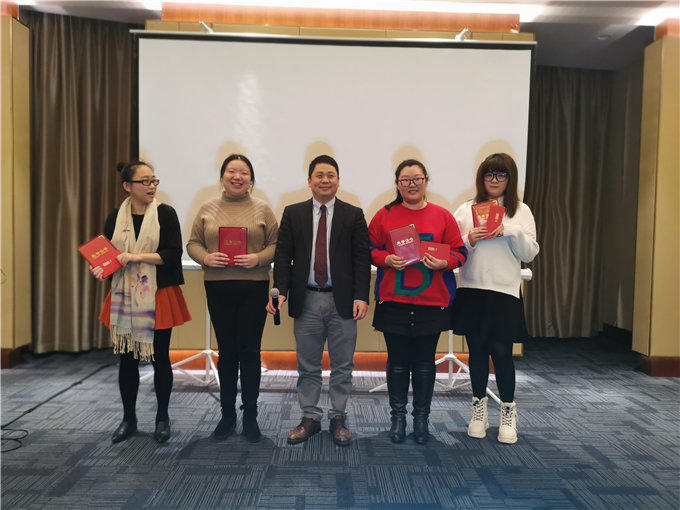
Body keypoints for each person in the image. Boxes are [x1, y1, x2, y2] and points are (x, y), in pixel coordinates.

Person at [266, 155, 371, 447]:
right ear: (309, 180)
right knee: (308, 365)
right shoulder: (293, 213)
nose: (325, 180)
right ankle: (310, 417)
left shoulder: (353, 214)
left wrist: (361, 296)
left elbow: (362, 259)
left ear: (338, 180)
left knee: (343, 365)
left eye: (330, 175)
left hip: (343, 301)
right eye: (319, 175)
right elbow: (283, 255)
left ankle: (339, 417)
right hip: (307, 300)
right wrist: (281, 290)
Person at [369, 159, 467, 445]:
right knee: (397, 362)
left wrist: (445, 263)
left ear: (426, 181)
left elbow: (460, 253)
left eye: (417, 179)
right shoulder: (384, 215)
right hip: (394, 299)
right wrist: (386, 259)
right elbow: (368, 249)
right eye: (405, 180)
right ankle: (397, 418)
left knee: (425, 363)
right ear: (397, 184)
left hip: (431, 301)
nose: (411, 184)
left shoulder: (443, 216)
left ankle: (421, 419)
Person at [93, 160, 191, 444]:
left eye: (154, 181)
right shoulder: (115, 217)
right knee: (127, 359)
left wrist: (135, 257)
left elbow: (172, 254)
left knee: (160, 358)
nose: (151, 186)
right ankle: (129, 418)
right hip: (124, 294)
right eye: (144, 182)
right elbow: (109, 256)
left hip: (157, 293)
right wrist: (101, 268)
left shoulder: (165, 213)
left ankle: (162, 418)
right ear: (127, 186)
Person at [187, 154, 278, 443]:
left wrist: (258, 258)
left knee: (250, 352)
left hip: (254, 286)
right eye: (231, 171)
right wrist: (205, 257)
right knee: (226, 352)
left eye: (243, 172)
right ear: (222, 176)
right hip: (218, 286)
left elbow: (277, 244)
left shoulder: (263, 209)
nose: (237, 177)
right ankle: (227, 414)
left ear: (251, 179)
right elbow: (193, 243)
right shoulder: (207, 208)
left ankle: (250, 414)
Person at [452, 153, 539, 444]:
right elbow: (452, 250)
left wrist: (510, 231)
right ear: (481, 178)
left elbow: (529, 254)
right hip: (472, 289)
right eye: (489, 174)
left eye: (501, 174)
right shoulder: (466, 209)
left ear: (510, 179)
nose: (495, 180)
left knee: (502, 353)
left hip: (504, 293)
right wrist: (470, 240)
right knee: (476, 352)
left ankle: (508, 412)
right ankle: (479, 410)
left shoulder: (521, 211)